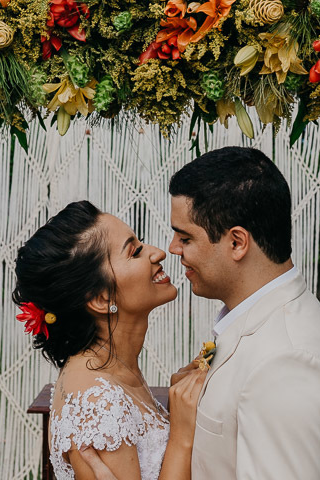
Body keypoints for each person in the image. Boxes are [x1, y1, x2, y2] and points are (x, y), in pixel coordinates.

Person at [168, 146, 320, 480]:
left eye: (185, 237)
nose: (173, 248)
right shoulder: (263, 321)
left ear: (237, 242)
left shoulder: (287, 364)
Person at [13, 200, 206, 480]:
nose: (159, 253)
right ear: (102, 299)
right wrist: (182, 437)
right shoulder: (98, 404)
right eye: (135, 252)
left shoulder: (114, 369)